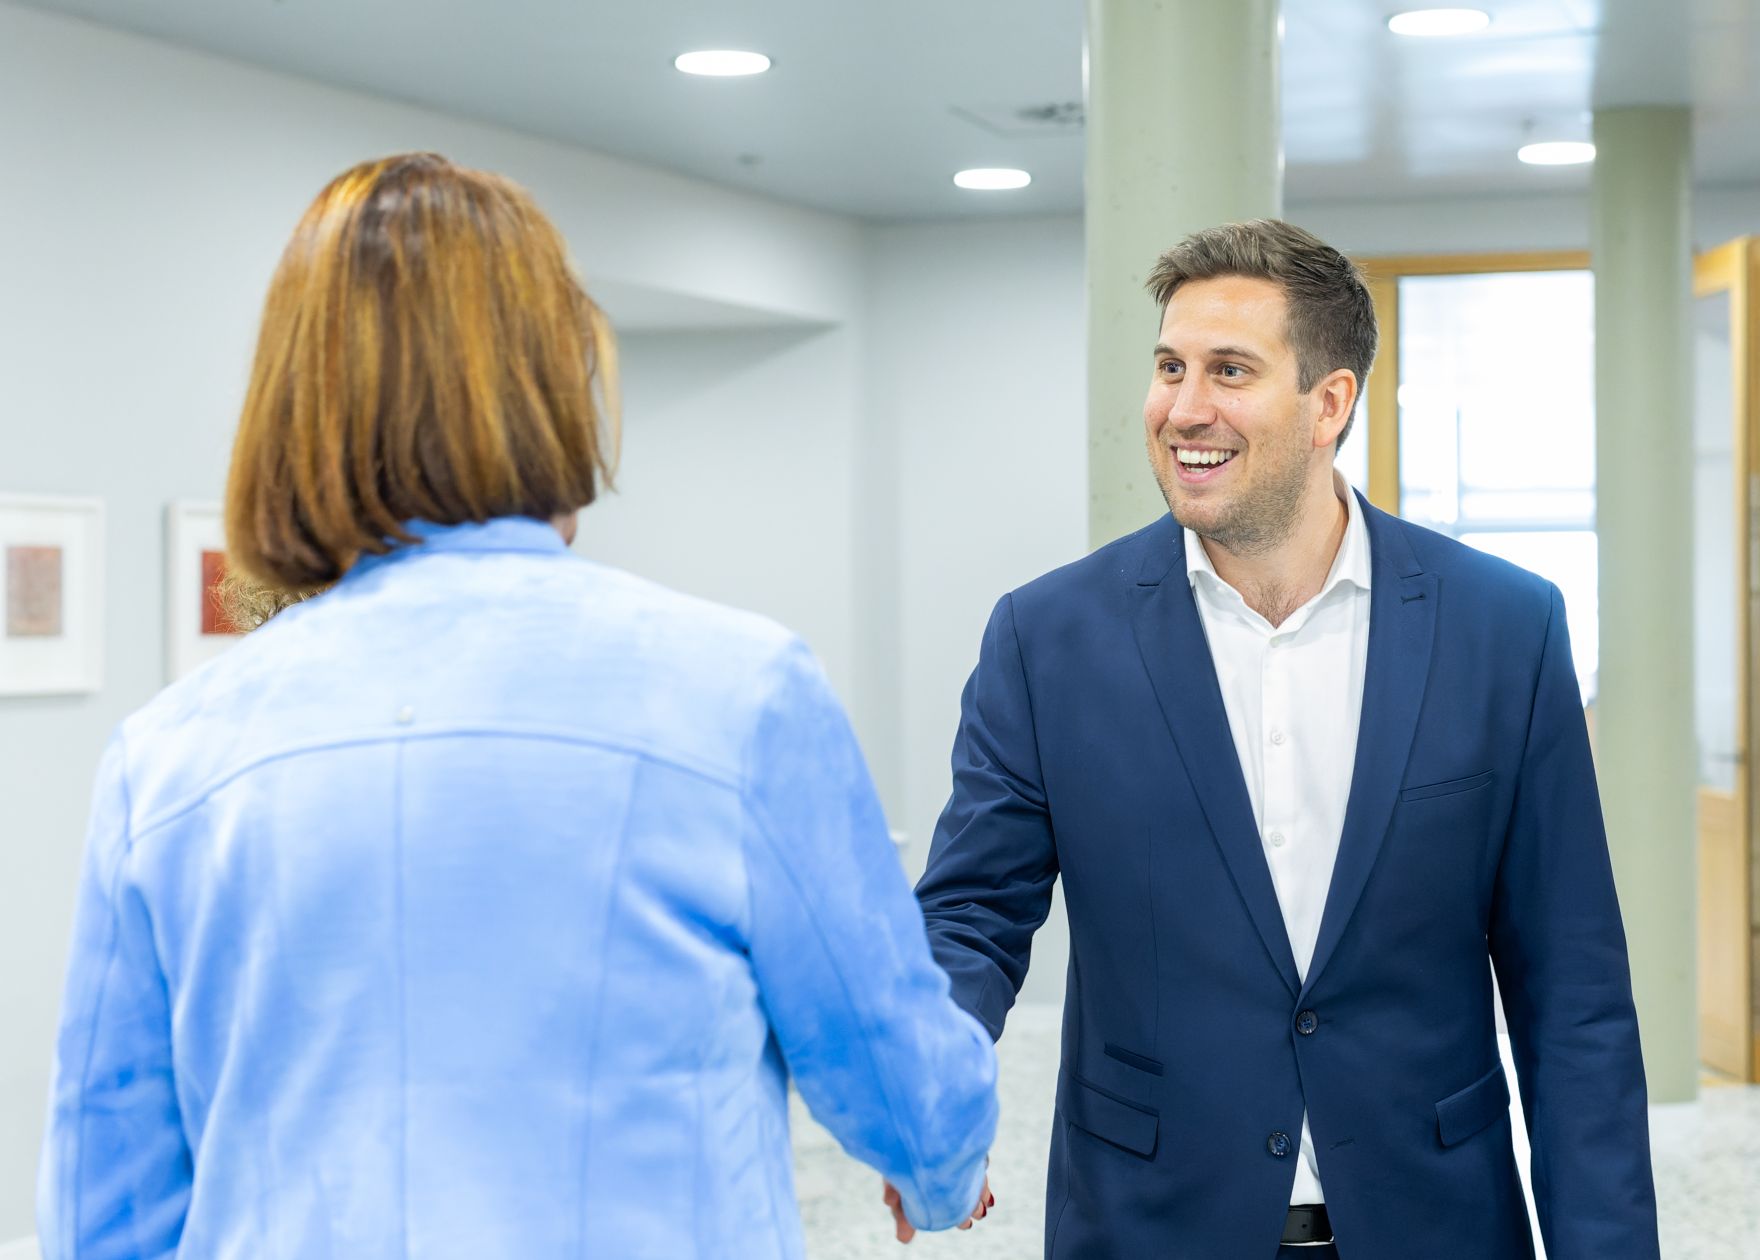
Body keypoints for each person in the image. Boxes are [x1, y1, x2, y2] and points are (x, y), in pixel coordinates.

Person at [38, 153, 996, 1259]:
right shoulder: (738, 696)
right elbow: (907, 1089)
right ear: (556, 382)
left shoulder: (165, 758)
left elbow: (103, 1209)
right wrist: (939, 1176)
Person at [912, 219, 1659, 1258]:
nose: (1182, 409)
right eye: (1169, 367)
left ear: (1328, 403)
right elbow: (969, 916)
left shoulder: (1499, 628)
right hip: (1151, 1225)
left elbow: (1569, 991)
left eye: (1228, 370)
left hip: (1433, 1222)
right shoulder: (1045, 639)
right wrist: (925, 1092)